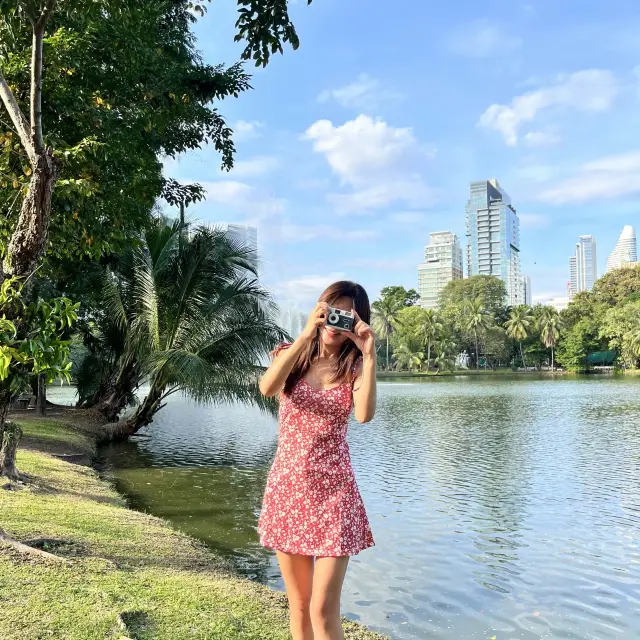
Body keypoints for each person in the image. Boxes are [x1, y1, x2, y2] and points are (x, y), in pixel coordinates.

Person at [258, 280, 377, 640]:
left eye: (346, 316)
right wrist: (306, 333)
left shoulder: (354, 368)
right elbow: (267, 388)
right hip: (289, 490)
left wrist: (369, 354)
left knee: (323, 608)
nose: (335, 323)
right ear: (320, 308)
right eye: (332, 311)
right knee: (298, 604)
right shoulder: (289, 354)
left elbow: (364, 415)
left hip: (335, 495)